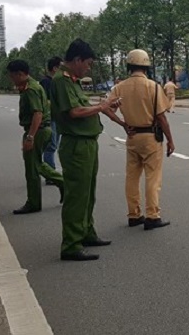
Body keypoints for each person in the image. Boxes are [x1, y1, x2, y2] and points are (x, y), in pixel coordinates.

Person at [50, 39, 124, 261]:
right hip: (76, 145)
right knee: (76, 195)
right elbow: (74, 112)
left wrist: (107, 109)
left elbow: (84, 107)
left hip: (87, 143)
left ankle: (86, 232)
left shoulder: (73, 81)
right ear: (77, 60)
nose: (88, 68)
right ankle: (71, 244)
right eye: (88, 63)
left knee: (88, 192)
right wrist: (101, 106)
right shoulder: (62, 81)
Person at [108, 49, 175, 230]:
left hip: (132, 136)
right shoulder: (153, 86)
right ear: (146, 67)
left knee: (132, 177)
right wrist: (170, 139)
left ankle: (134, 215)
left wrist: (122, 123)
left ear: (129, 66)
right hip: (150, 137)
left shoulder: (119, 87)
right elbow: (161, 117)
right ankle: (152, 216)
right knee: (152, 177)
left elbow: (106, 108)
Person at [6, 60, 64, 214]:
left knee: (32, 169)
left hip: (38, 131)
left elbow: (37, 113)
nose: (11, 79)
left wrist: (30, 137)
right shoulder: (30, 86)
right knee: (36, 164)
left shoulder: (31, 89)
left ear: (20, 74)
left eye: (12, 76)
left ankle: (34, 202)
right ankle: (60, 184)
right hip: (41, 130)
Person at [39, 56, 62, 179]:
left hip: (57, 118)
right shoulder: (46, 82)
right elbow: (45, 101)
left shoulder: (56, 82)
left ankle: (49, 171)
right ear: (55, 68)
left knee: (53, 145)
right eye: (61, 67)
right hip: (50, 118)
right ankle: (50, 174)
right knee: (51, 146)